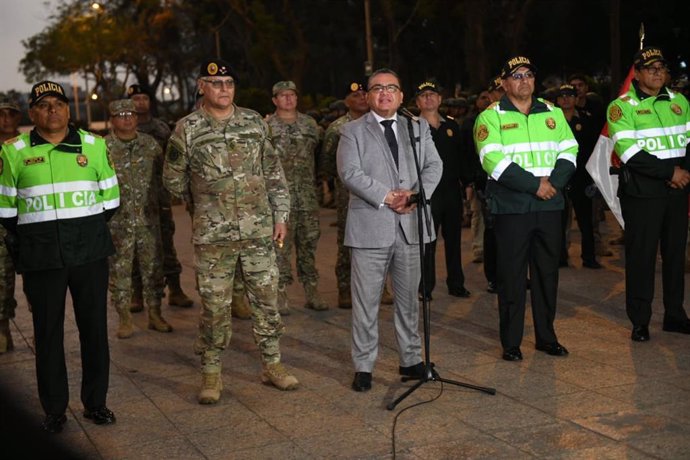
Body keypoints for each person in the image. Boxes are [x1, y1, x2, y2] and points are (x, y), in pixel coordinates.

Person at [163, 59, 298, 404]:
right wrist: (206, 202)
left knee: (266, 300)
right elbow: (173, 180)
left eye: (229, 82)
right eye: (216, 82)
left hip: (258, 231)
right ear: (201, 87)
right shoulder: (187, 128)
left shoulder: (254, 122)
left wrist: (281, 215)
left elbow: (273, 171)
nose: (224, 88)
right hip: (213, 238)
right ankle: (211, 372)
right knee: (214, 306)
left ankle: (272, 365)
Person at [0, 81, 119, 432]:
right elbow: (5, 208)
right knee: (47, 333)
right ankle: (54, 410)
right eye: (44, 104)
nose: (52, 109)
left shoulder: (95, 146)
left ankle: (96, 403)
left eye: (59, 103)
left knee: (94, 330)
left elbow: (111, 201)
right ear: (33, 113)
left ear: (69, 110)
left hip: (89, 254)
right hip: (42, 258)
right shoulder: (13, 151)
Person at [337, 68, 442, 392]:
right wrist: (387, 196)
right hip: (370, 226)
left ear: (400, 95)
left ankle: (410, 359)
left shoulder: (417, 126)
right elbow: (349, 173)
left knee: (409, 299)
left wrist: (414, 195)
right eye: (377, 89)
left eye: (391, 88)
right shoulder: (352, 131)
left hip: (410, 225)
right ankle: (364, 365)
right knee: (366, 301)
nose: (384, 93)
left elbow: (434, 166)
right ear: (368, 96)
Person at [473, 57, 577, 361]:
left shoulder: (553, 112)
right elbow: (493, 160)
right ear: (504, 83)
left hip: (548, 205)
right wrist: (535, 186)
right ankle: (511, 342)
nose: (524, 80)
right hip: (512, 208)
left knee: (547, 275)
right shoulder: (490, 117)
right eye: (516, 76)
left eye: (529, 75)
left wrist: (553, 183)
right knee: (512, 276)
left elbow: (569, 150)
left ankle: (546, 337)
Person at [607, 47, 690, 342]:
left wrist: (684, 173)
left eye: (661, 67)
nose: (656, 72)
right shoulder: (622, 106)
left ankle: (675, 315)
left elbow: (689, 142)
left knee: (675, 255)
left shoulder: (680, 101)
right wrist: (670, 174)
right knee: (641, 258)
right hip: (643, 194)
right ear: (638, 73)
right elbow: (629, 153)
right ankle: (640, 320)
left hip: (677, 191)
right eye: (650, 68)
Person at [105, 99, 172, 339]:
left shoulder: (150, 145)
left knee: (153, 268)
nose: (127, 118)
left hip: (148, 220)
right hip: (117, 223)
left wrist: (165, 210)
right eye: (121, 114)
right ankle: (124, 317)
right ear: (112, 119)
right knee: (120, 271)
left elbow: (162, 179)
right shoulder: (103, 148)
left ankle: (155, 313)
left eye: (131, 114)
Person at [127, 84, 194, 310]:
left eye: (144, 97)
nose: (140, 102)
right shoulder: (124, 129)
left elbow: (173, 161)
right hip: (132, 199)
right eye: (136, 98)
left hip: (159, 195)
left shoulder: (162, 129)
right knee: (134, 246)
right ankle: (137, 294)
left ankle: (175, 289)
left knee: (166, 242)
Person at [267, 81, 328, 314]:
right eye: (283, 95)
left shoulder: (310, 125)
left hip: (307, 197)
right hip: (279, 201)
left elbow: (321, 157)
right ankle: (281, 293)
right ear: (274, 100)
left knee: (309, 244)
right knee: (280, 248)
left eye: (292, 95)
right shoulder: (267, 127)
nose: (288, 99)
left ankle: (312, 290)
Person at [414, 80, 471, 300]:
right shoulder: (412, 127)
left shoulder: (451, 126)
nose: (429, 98)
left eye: (433, 94)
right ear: (418, 101)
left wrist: (467, 184)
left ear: (439, 99)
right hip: (428, 193)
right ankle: (425, 287)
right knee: (428, 241)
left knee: (454, 240)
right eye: (424, 95)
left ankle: (456, 283)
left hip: (451, 191)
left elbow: (461, 156)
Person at [555, 84, 601, 269]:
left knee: (585, 220)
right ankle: (560, 257)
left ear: (576, 98)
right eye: (562, 95)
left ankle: (589, 257)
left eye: (570, 95)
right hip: (559, 177)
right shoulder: (551, 121)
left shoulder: (586, 120)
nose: (566, 98)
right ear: (557, 101)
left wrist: (594, 176)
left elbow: (593, 149)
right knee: (559, 221)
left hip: (581, 176)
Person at [0, 97, 22, 353]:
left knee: (38, 282)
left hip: (27, 222)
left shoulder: (25, 145)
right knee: (2, 279)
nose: (6, 119)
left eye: (11, 114)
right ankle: (3, 328)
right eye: (2, 114)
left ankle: (44, 328)